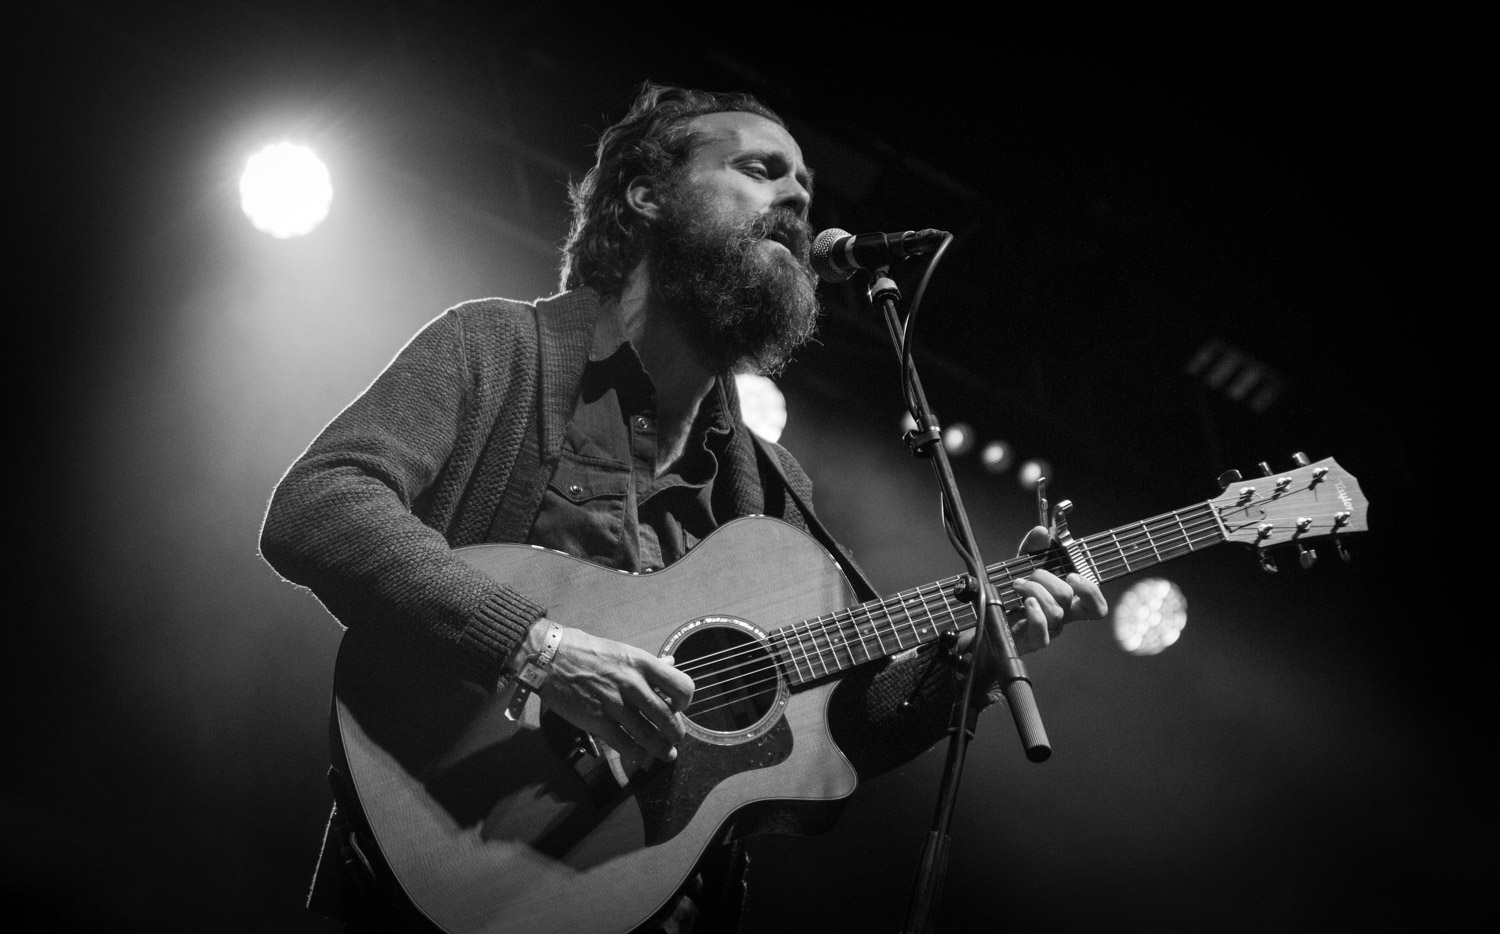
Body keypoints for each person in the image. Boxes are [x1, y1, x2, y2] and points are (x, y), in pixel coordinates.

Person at [259, 82, 1106, 934]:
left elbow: (838, 731)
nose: (796, 204)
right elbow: (321, 504)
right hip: (429, 874)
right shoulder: (496, 349)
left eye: (805, 192)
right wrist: (539, 648)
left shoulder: (772, 488)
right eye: (761, 171)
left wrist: (966, 665)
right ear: (646, 191)